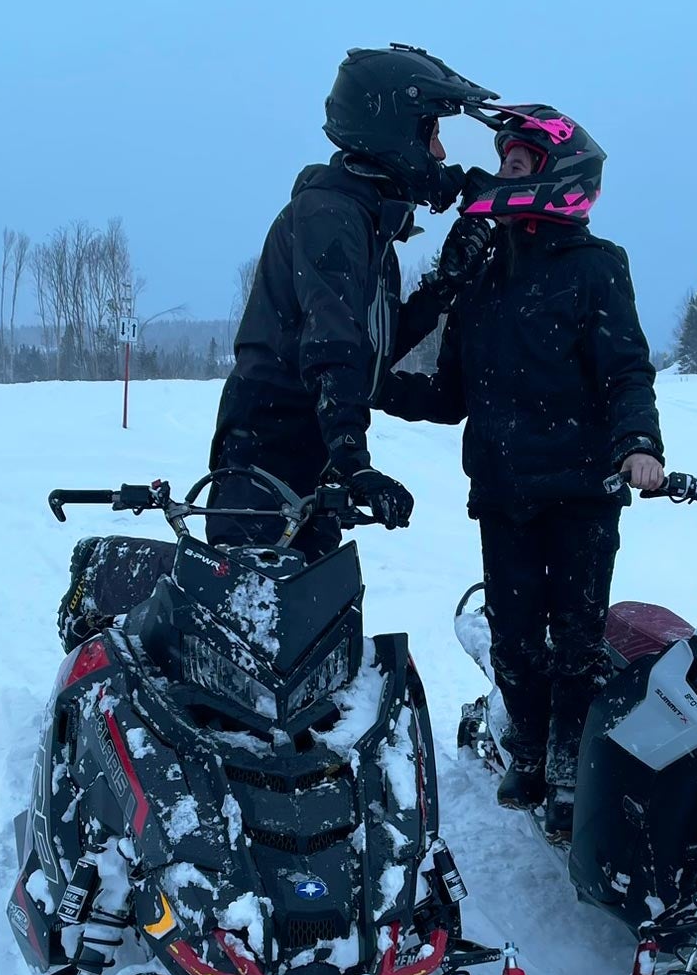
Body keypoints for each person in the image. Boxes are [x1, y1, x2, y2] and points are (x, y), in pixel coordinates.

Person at [378, 104, 665, 835]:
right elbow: (447, 395)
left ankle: (571, 760)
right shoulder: (483, 275)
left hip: (582, 487)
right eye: (502, 161)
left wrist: (639, 442)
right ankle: (530, 746)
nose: (500, 172)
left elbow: (626, 367)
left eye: (515, 163)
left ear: (557, 175)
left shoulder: (598, 267)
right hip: (503, 490)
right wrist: (369, 383)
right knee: (512, 633)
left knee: (575, 636)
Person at [207, 45, 496, 556]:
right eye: (432, 134)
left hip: (305, 447)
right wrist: (353, 460)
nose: (441, 154)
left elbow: (370, 351)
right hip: (269, 449)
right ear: (394, 132)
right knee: (266, 614)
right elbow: (332, 345)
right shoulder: (332, 215)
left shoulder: (366, 218)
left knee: (320, 611)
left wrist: (442, 287)